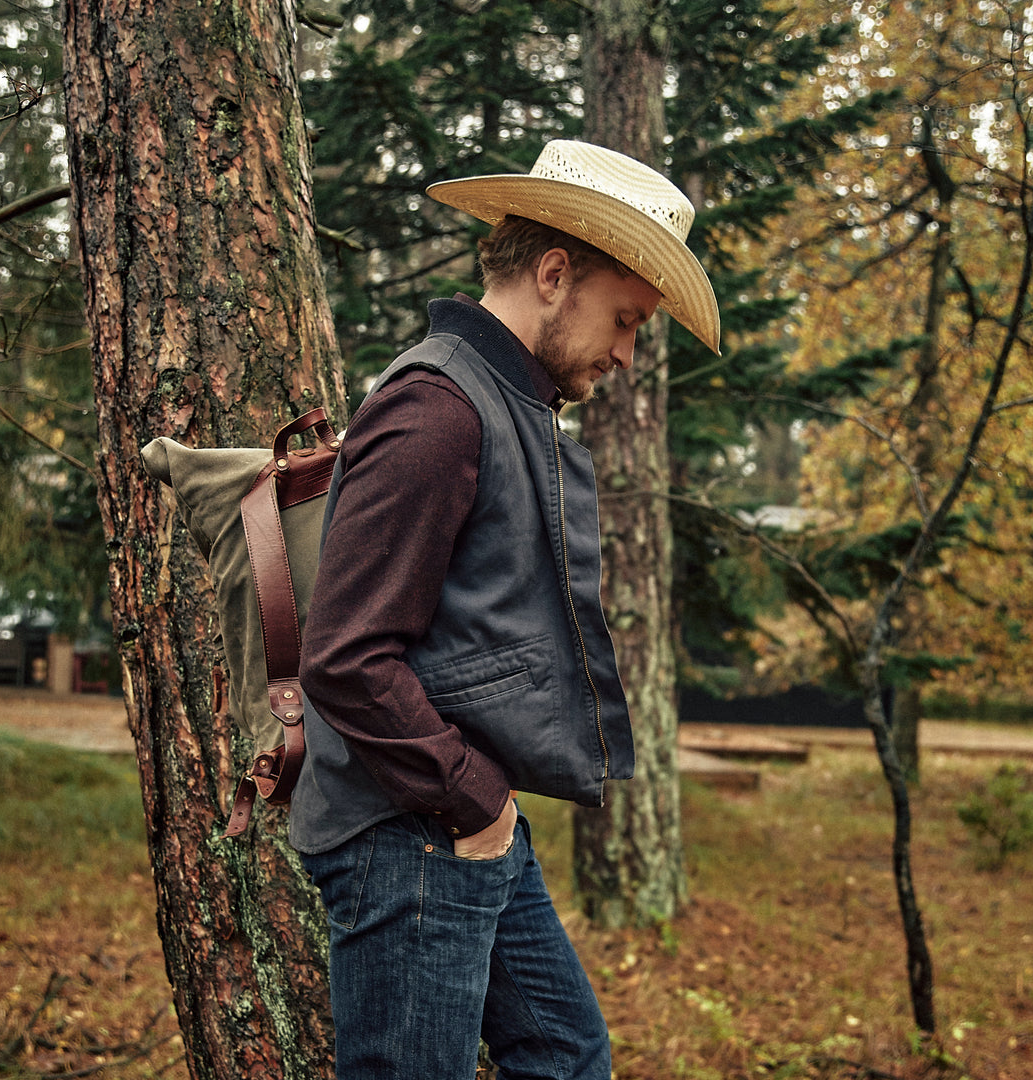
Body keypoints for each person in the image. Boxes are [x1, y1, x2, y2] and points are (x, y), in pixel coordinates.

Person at [289, 139, 720, 1080]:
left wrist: (486, 810)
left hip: (458, 822)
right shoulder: (437, 409)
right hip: (411, 831)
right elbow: (348, 656)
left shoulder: (505, 402)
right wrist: (473, 797)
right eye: (625, 319)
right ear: (556, 273)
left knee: (566, 1056)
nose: (626, 353)